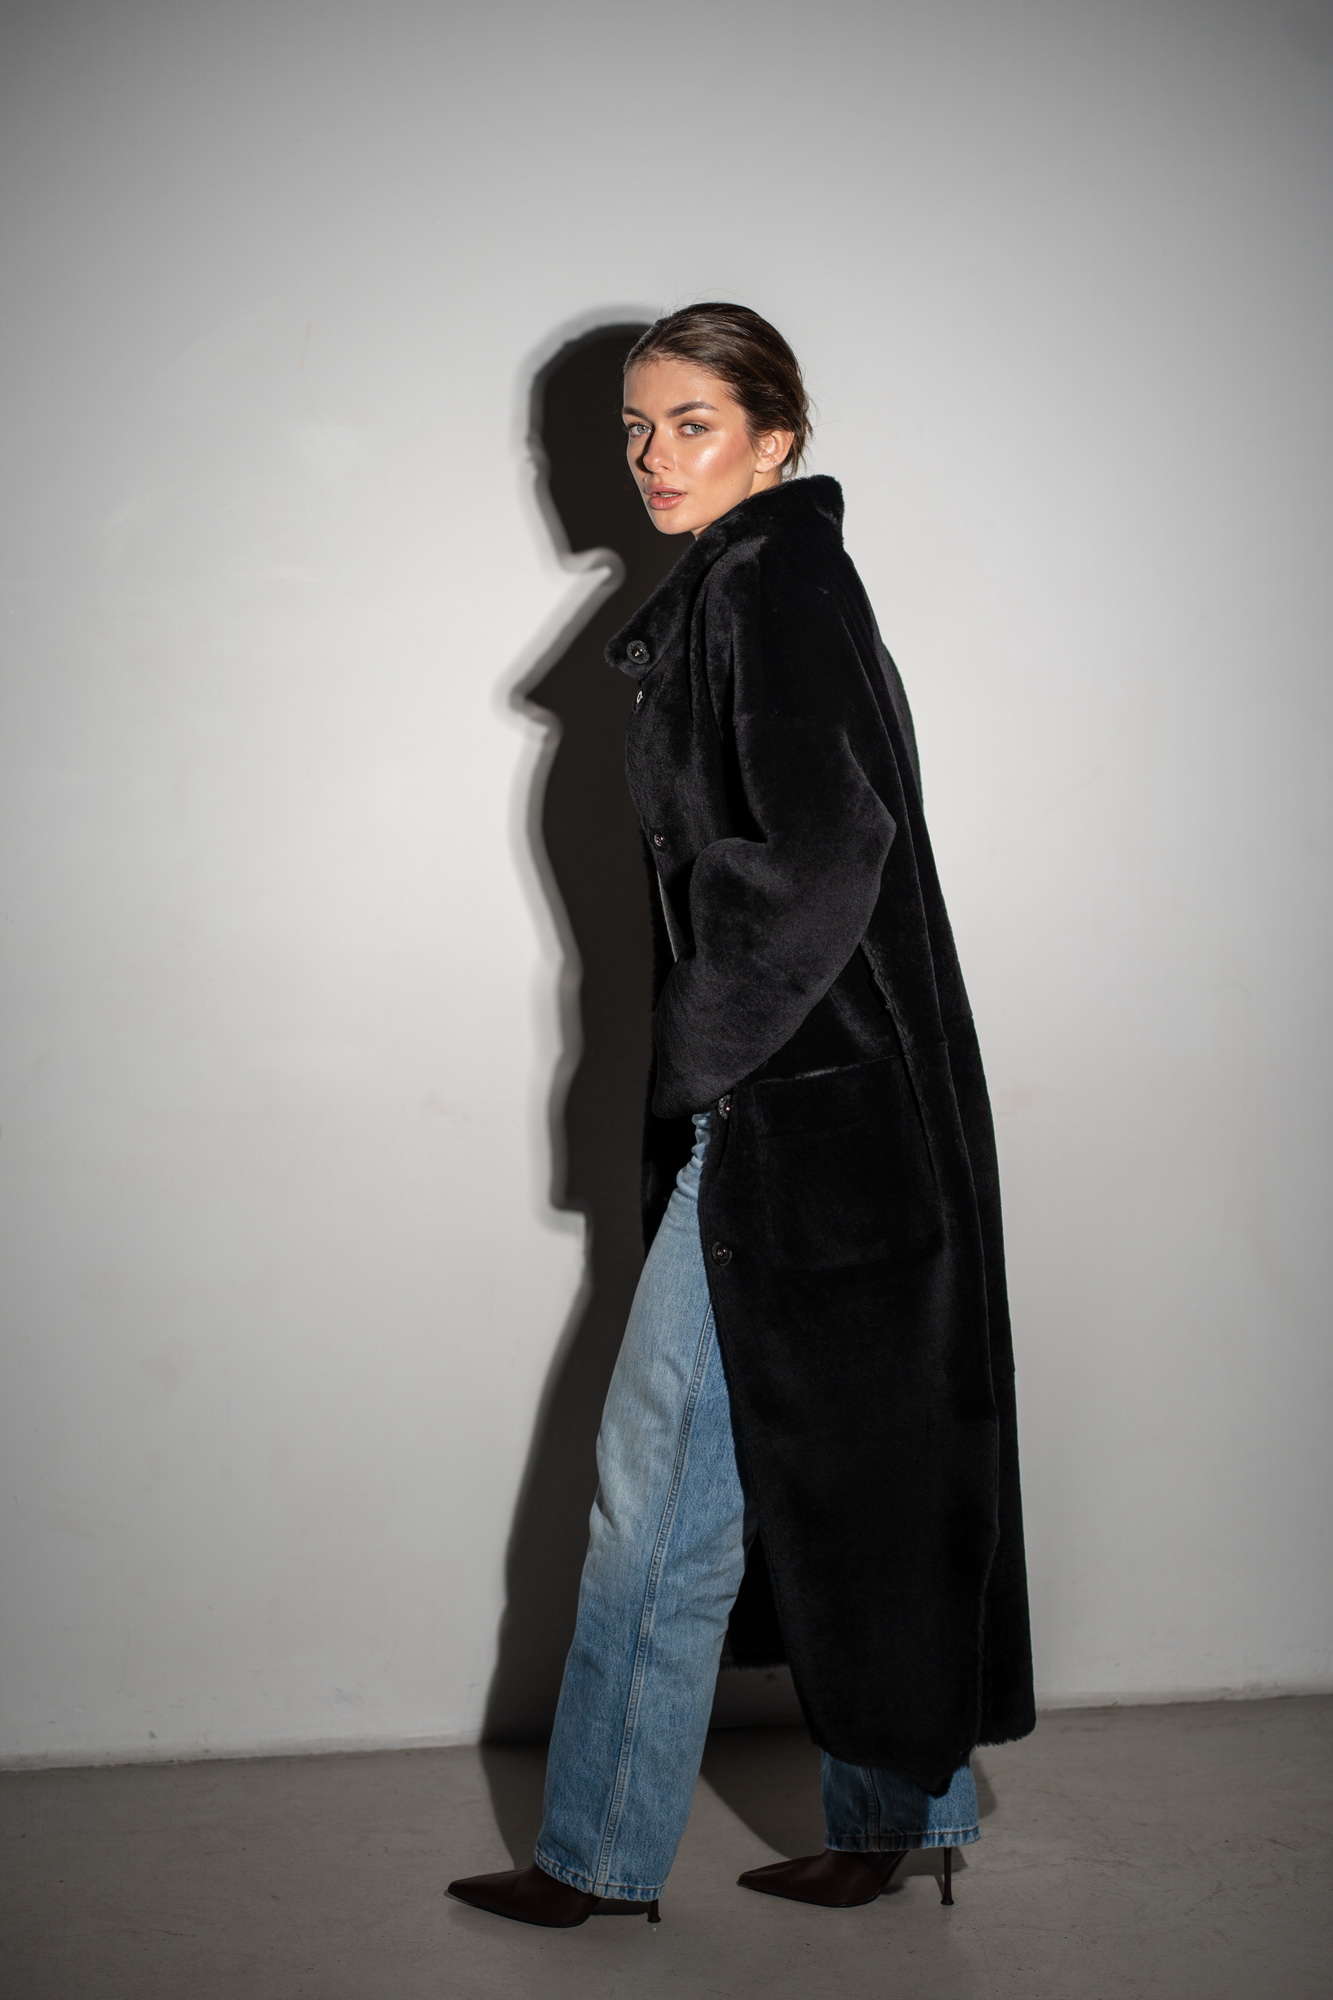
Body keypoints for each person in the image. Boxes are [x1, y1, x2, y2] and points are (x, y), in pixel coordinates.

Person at [449, 303, 1034, 1929]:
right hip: (834, 1107)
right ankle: (902, 1817)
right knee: (858, 1467)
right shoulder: (761, 578)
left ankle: (592, 1859)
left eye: (690, 423)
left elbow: (825, 844)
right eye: (633, 428)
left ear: (775, 438)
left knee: (658, 1498)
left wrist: (705, 1060)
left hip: (792, 1120)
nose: (652, 456)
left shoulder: (768, 581)